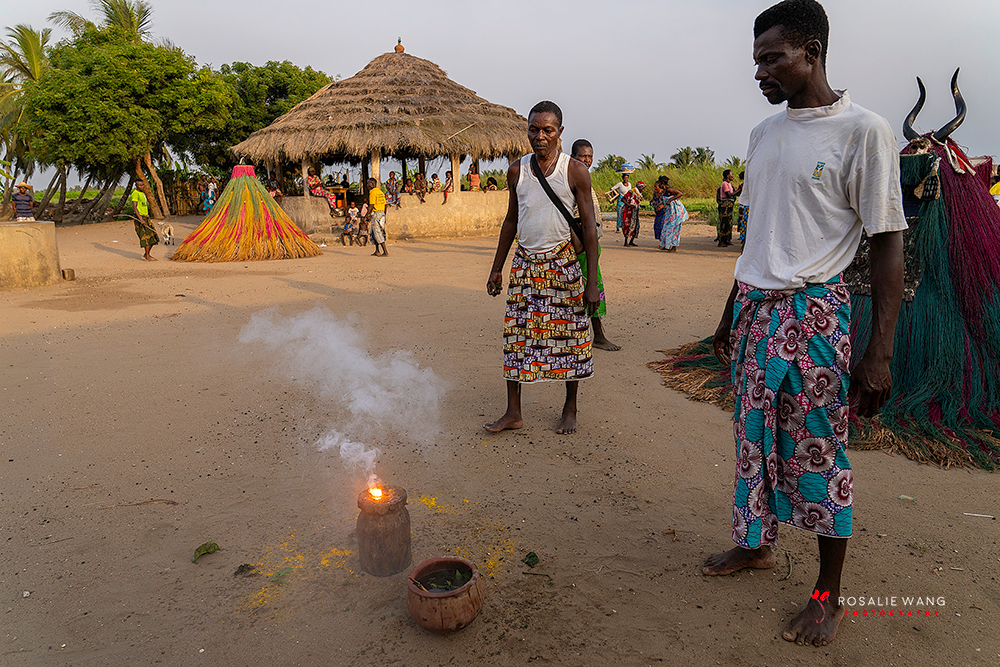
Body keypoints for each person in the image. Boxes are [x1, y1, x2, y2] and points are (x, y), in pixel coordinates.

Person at [703, 0, 906, 649]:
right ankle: (755, 544)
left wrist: (879, 352)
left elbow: (888, 244)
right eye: (756, 60)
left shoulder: (863, 132)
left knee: (817, 453)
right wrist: (728, 315)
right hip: (755, 312)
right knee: (753, 439)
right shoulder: (764, 134)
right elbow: (760, 236)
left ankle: (828, 595)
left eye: (772, 58)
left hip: (815, 317)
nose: (759, 72)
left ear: (812, 53)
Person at [485, 101, 600, 435]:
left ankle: (570, 408)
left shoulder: (574, 171)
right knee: (516, 337)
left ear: (560, 132)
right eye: (534, 129)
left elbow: (589, 228)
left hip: (563, 265)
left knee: (571, 337)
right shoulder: (516, 170)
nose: (540, 136)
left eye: (548, 130)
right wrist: (497, 268)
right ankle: (513, 413)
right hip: (525, 266)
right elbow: (511, 221)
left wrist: (592, 281)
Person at [571, 139, 620, 351]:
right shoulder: (571, 180)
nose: (587, 160)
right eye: (583, 156)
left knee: (591, 285)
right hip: (581, 245)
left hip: (590, 243)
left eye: (590, 156)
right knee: (592, 285)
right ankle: (598, 335)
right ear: (573, 157)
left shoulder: (584, 178)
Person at [652, 176, 686, 252]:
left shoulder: (669, 189)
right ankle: (666, 245)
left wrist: (670, 200)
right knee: (665, 228)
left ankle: (674, 247)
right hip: (669, 211)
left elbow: (680, 193)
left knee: (673, 229)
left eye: (659, 184)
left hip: (676, 211)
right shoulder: (664, 191)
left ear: (662, 184)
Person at [130, 182, 160, 261]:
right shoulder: (135, 193)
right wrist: (141, 219)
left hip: (146, 217)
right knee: (146, 237)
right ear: (136, 185)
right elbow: (134, 207)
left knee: (153, 237)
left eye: (143, 185)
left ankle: (147, 254)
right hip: (140, 218)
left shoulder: (142, 194)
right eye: (140, 185)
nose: (142, 186)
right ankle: (147, 256)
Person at [609, 166, 635, 232]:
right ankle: (618, 227)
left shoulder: (629, 184)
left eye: (627, 177)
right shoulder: (620, 184)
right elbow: (612, 189)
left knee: (626, 213)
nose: (626, 179)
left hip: (627, 199)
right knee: (619, 213)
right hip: (621, 199)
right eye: (624, 177)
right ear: (623, 178)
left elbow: (630, 192)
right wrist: (613, 197)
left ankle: (625, 226)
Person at [367, 177, 388, 257]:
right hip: (381, 213)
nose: (367, 185)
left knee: (377, 232)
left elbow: (371, 205)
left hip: (376, 214)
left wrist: (366, 215)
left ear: (372, 184)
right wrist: (384, 215)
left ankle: (385, 252)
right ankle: (377, 250)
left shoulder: (372, 193)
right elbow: (385, 205)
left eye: (368, 183)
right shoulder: (380, 192)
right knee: (373, 232)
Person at [717, 169, 737, 247]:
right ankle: (722, 241)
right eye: (731, 174)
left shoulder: (729, 184)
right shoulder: (725, 184)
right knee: (724, 223)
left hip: (728, 205)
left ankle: (727, 240)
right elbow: (729, 194)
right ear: (727, 176)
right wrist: (738, 190)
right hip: (725, 205)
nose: (733, 176)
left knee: (729, 222)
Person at [620, 181, 645, 247]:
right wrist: (629, 205)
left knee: (636, 226)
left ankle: (631, 241)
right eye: (642, 187)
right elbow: (623, 199)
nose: (643, 189)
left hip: (635, 212)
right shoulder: (631, 192)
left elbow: (635, 202)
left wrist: (641, 206)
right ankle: (625, 242)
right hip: (628, 212)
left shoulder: (638, 194)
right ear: (638, 187)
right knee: (628, 226)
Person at [735, 170, 749, 245]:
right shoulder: (746, 185)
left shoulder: (744, 185)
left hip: (743, 204)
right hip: (745, 205)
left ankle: (743, 237)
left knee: (743, 221)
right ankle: (744, 238)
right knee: (745, 221)